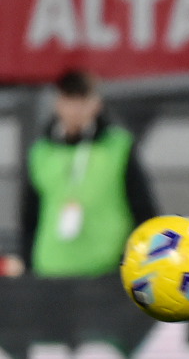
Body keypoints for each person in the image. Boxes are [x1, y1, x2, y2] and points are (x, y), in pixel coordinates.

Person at [21, 69, 157, 278]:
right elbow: (30, 216)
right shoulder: (41, 152)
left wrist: (132, 260)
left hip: (107, 268)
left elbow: (143, 209)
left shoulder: (117, 147)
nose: (75, 109)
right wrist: (28, 263)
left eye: (82, 100)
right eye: (70, 100)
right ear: (58, 103)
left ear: (96, 103)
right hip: (50, 267)